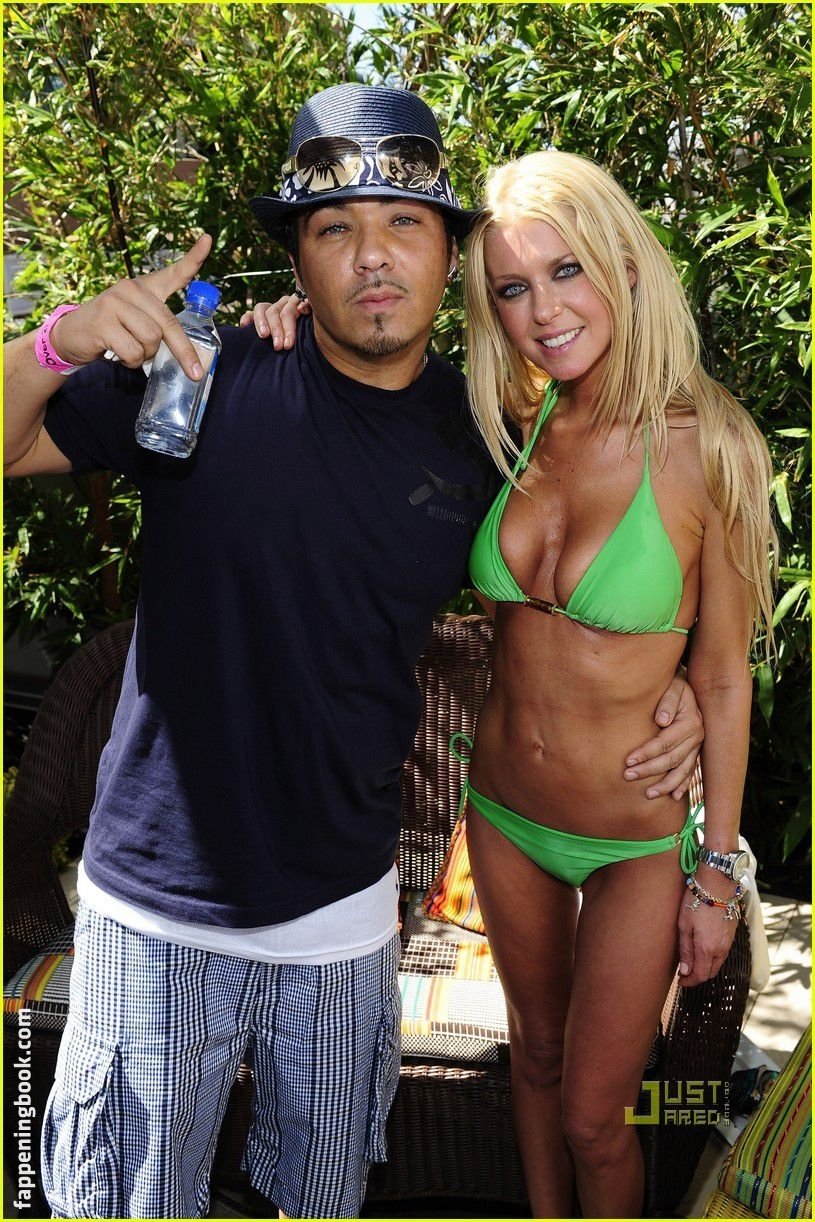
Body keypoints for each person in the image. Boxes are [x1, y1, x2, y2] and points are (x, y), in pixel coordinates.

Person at [4, 86, 703, 1220]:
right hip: (158, 908)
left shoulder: (485, 434)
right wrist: (56, 341)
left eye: (403, 225)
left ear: (448, 257)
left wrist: (677, 691)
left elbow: (575, 598)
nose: (372, 257)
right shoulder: (201, 374)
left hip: (344, 917)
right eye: (335, 229)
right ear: (297, 259)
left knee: (325, 1199)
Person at [456, 150, 775, 1219]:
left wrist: (716, 874)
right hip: (502, 810)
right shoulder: (512, 419)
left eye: (566, 271)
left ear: (625, 267)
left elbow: (722, 675)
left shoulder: (708, 445)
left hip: (635, 841)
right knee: (533, 1063)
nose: (542, 311)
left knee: (598, 1116)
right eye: (511, 287)